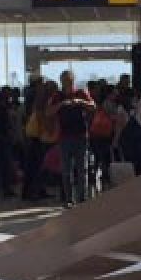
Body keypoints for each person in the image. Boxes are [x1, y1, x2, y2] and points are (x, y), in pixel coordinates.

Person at [48, 70, 95, 207]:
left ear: (73, 81)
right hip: (64, 137)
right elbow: (48, 112)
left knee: (82, 169)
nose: (67, 83)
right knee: (66, 170)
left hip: (80, 136)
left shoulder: (81, 93)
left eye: (69, 81)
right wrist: (61, 105)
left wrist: (80, 102)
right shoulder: (57, 96)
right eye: (64, 81)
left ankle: (82, 198)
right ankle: (68, 198)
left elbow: (93, 106)